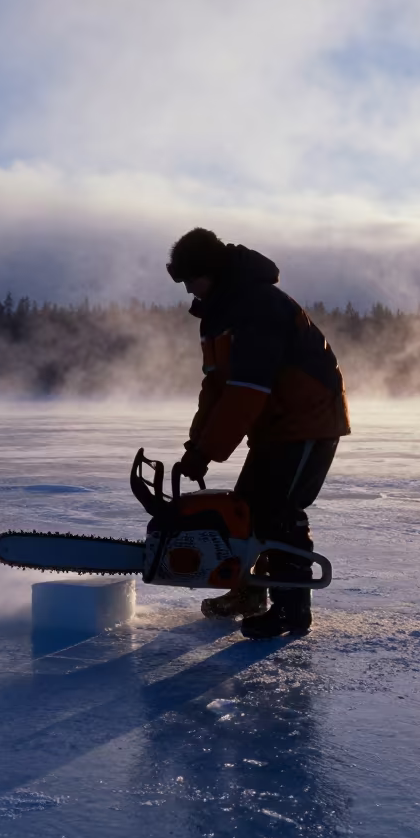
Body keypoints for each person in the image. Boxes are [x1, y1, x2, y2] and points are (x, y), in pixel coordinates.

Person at [166, 228, 350, 638]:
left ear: (210, 272)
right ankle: (250, 593)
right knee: (247, 510)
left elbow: (248, 391)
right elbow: (216, 388)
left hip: (307, 421)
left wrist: (209, 450)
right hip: (275, 424)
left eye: (190, 280)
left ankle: (290, 609)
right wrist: (196, 447)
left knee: (277, 513)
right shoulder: (217, 316)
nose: (187, 291)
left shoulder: (256, 307)